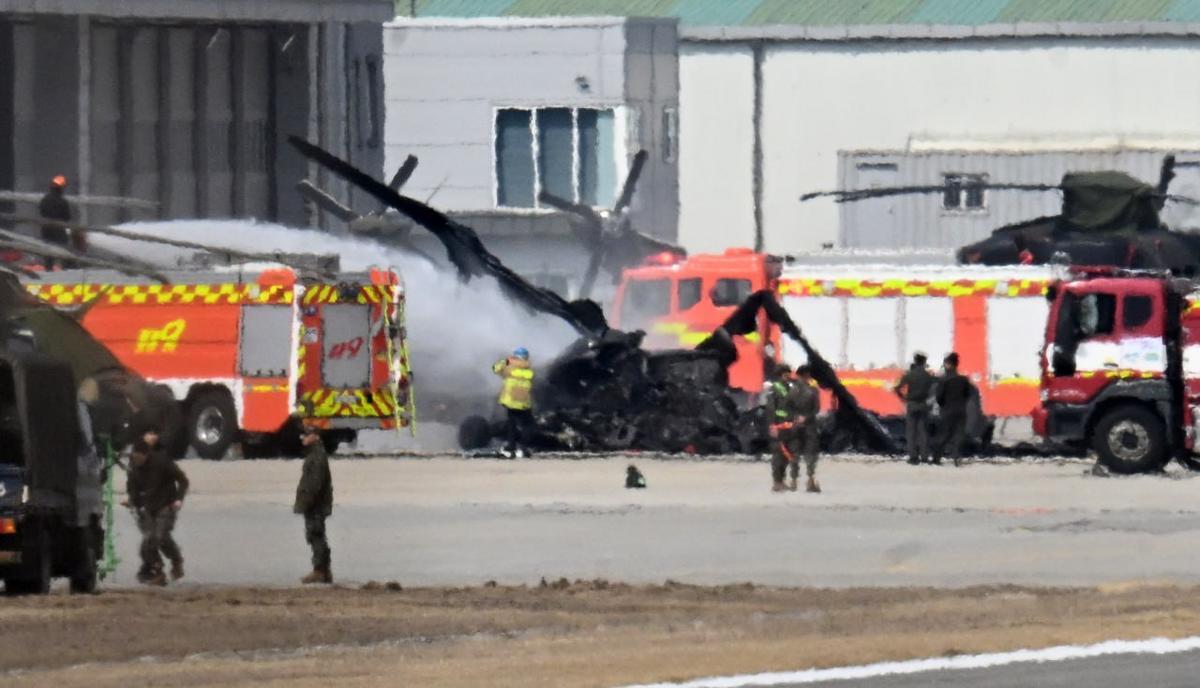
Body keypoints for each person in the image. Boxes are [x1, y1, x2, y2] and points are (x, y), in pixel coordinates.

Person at [123, 426, 188, 586]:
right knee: (148, 542)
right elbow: (132, 487)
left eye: (140, 457)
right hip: (148, 507)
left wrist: (179, 498)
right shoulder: (134, 467)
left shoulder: (162, 461)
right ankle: (156, 571)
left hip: (166, 504)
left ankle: (176, 560)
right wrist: (132, 501)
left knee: (161, 537)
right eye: (134, 457)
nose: (137, 460)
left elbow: (182, 480)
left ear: (147, 454)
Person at [766, 364, 821, 493]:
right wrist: (772, 424)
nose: (789, 376)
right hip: (782, 425)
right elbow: (771, 408)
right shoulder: (777, 388)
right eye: (786, 374)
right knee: (781, 453)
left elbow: (788, 406)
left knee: (791, 453)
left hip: (790, 425)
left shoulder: (790, 388)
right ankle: (780, 482)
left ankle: (792, 481)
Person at [294, 422, 334, 584]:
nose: (303, 437)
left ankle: (320, 571)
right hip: (315, 504)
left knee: (316, 535)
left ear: (315, 436)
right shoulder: (314, 454)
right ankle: (324, 571)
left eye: (307, 434)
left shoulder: (316, 456)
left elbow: (314, 484)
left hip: (315, 505)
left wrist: (305, 503)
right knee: (316, 535)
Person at [932, 352, 974, 467]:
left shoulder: (944, 380)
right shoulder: (964, 379)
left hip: (947, 409)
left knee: (944, 434)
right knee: (959, 434)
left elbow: (939, 397)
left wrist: (942, 405)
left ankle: (936, 458)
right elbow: (968, 394)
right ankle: (956, 457)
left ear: (949, 364)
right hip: (961, 410)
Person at [894, 352, 936, 465]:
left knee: (911, 432)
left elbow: (897, 388)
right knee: (923, 432)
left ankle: (913, 457)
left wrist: (903, 398)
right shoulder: (928, 376)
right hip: (923, 405)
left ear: (915, 361)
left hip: (911, 404)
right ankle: (924, 457)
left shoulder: (909, 375)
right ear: (924, 362)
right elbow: (936, 387)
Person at [493, 347, 534, 458]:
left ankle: (511, 446)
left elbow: (495, 369)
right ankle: (522, 447)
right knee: (529, 425)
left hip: (510, 401)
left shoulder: (509, 368)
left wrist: (506, 361)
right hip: (523, 402)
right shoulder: (528, 369)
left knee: (512, 425)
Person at [38, 175, 73, 267]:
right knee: (63, 250)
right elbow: (67, 217)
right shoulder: (63, 202)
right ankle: (66, 268)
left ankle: (48, 268)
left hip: (46, 229)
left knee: (48, 251)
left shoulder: (44, 200)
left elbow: (41, 213)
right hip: (59, 230)